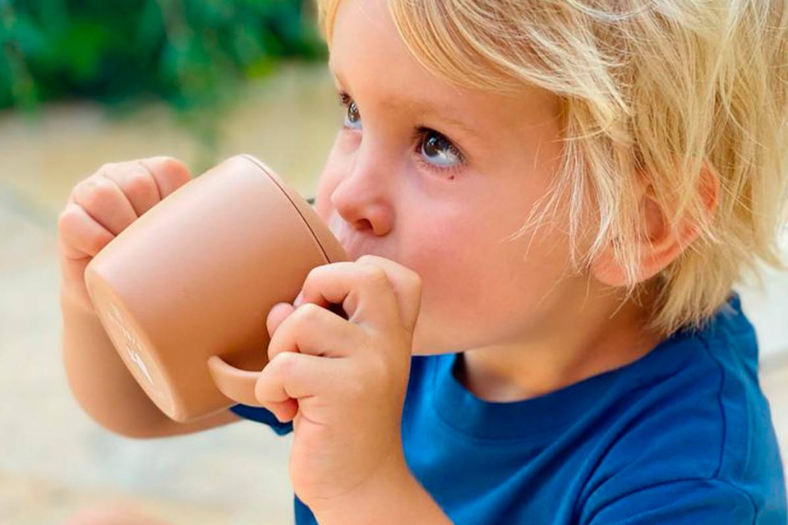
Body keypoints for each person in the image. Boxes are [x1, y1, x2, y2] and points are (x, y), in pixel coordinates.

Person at [58, 0, 788, 523]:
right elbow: (142, 408)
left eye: (435, 144)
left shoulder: (693, 476)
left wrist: (364, 487)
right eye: (352, 111)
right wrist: (93, 298)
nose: (346, 195)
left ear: (635, 222)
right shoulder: (378, 295)